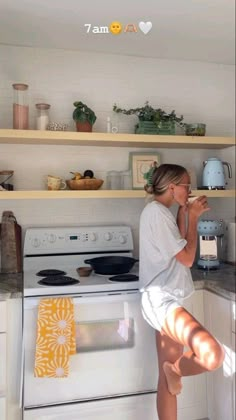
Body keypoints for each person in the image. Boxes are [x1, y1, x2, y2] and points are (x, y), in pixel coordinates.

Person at [139, 163, 225, 420]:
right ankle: (175, 370)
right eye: (186, 184)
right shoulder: (157, 214)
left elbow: (176, 240)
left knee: (166, 386)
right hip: (162, 300)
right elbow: (187, 258)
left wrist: (184, 211)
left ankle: (171, 371)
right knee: (212, 355)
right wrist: (195, 218)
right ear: (173, 186)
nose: (189, 189)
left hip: (159, 297)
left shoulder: (158, 211)